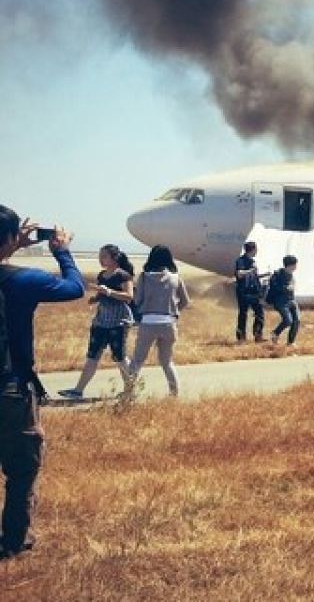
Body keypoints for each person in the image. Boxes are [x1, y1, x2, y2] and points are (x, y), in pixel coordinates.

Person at [0, 206, 85, 559]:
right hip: (10, 388)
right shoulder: (22, 280)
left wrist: (9, 245)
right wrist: (62, 251)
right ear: (10, 237)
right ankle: (13, 541)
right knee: (22, 469)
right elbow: (74, 288)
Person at [59, 244, 135, 399]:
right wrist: (95, 298)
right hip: (101, 320)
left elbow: (129, 296)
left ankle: (130, 390)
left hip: (118, 322)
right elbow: (103, 295)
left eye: (104, 256)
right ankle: (78, 390)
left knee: (120, 357)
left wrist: (109, 292)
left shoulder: (123, 276)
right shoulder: (102, 275)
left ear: (114, 258)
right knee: (92, 355)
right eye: (100, 256)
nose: (101, 259)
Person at [128, 245, 190, 396]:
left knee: (137, 361)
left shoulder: (144, 277)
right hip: (168, 323)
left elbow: (137, 300)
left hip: (148, 322)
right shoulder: (176, 278)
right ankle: (174, 393)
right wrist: (174, 312)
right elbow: (185, 301)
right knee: (167, 362)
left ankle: (128, 393)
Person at [233, 241, 265, 344]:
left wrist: (264, 275)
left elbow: (253, 276)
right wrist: (250, 270)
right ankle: (241, 337)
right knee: (243, 313)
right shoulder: (240, 261)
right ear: (252, 250)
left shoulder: (252, 261)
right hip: (244, 292)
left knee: (259, 313)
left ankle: (258, 335)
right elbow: (239, 274)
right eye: (256, 249)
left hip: (254, 291)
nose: (257, 251)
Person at [267, 255, 300, 351]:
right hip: (281, 302)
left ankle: (291, 342)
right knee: (288, 320)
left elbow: (292, 285)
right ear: (289, 265)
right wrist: (285, 288)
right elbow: (274, 287)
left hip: (291, 300)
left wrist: (292, 287)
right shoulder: (278, 275)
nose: (296, 267)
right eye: (295, 265)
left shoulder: (291, 275)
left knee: (296, 320)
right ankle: (275, 333)